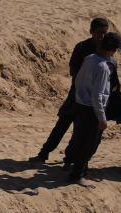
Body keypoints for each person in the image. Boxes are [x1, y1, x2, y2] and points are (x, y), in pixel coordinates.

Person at [37, 16, 112, 163]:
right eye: (99, 32)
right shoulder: (82, 47)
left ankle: (69, 159)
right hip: (76, 93)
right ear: (91, 31)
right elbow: (73, 70)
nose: (102, 36)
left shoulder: (106, 50)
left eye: (105, 33)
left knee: (79, 131)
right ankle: (44, 153)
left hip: (90, 99)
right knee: (62, 124)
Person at [61, 30, 121, 185]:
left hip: (80, 105)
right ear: (114, 50)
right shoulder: (103, 67)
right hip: (92, 110)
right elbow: (97, 95)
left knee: (80, 139)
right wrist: (102, 118)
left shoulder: (89, 58)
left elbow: (78, 80)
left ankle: (80, 171)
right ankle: (77, 175)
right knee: (89, 144)